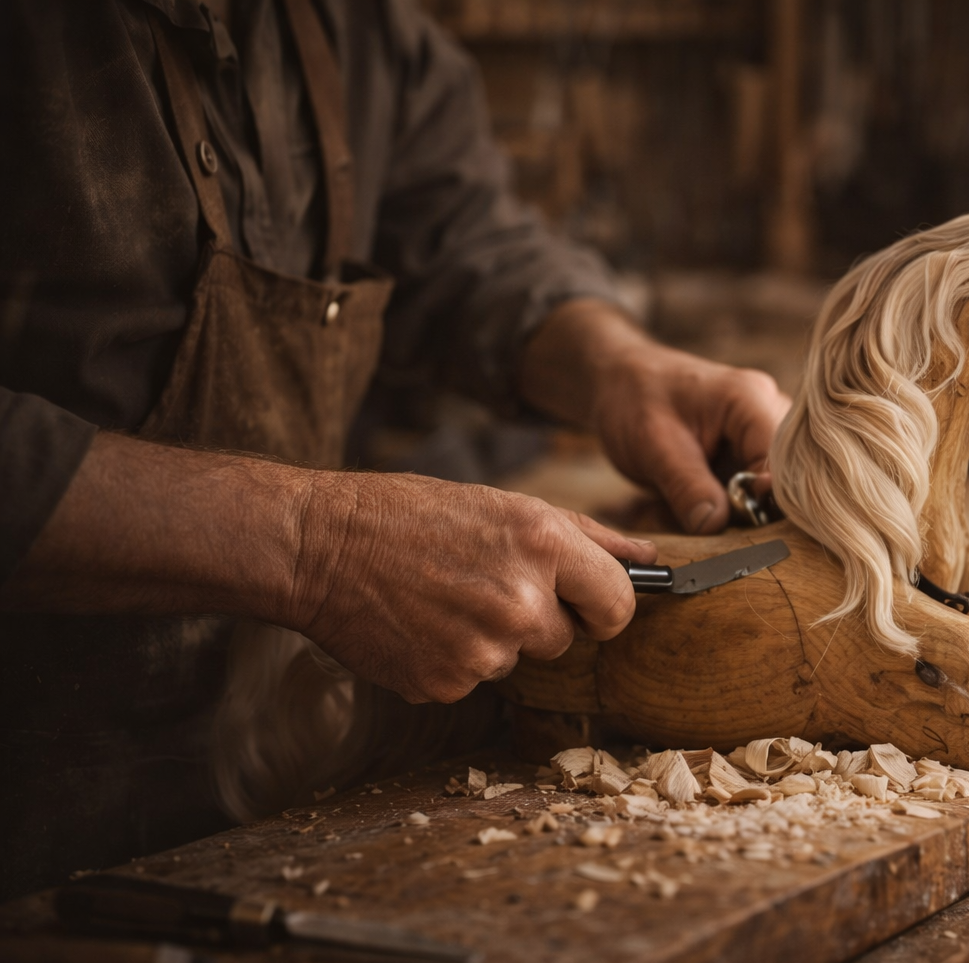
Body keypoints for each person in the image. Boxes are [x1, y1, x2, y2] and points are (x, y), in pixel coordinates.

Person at [0, 0, 790, 897]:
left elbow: (463, 244)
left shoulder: (354, 32)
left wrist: (620, 367)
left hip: (260, 802)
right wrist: (313, 546)